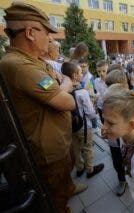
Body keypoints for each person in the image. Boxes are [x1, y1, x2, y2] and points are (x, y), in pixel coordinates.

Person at [0, 2, 86, 212]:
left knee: (65, 175)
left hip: (59, 142)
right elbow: (67, 100)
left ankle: (69, 188)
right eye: (47, 32)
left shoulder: (34, 61)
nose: (50, 38)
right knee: (55, 199)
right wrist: (66, 85)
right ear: (30, 32)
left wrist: (62, 84)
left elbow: (60, 83)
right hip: (47, 152)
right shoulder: (19, 65)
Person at [61, 62, 104, 178]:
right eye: (80, 72)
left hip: (71, 126)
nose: (82, 74)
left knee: (75, 147)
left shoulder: (62, 91)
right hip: (84, 126)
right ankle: (90, 170)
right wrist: (95, 116)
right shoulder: (82, 92)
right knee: (87, 148)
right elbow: (90, 113)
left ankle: (80, 168)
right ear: (75, 75)